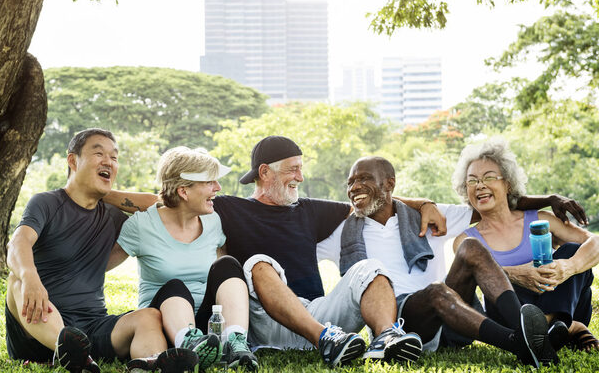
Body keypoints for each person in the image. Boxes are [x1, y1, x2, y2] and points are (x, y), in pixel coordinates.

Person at [104, 136, 450, 367]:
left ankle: (386, 337)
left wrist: (423, 203)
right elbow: (163, 199)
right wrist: (93, 190)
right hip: (267, 321)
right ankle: (324, 341)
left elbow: (365, 199)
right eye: (293, 168)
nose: (300, 176)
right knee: (255, 262)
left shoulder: (311, 209)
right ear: (265, 173)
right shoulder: (226, 207)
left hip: (317, 313)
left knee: (370, 267)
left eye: (301, 167)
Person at [318, 156, 574, 368]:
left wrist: (549, 199)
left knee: (471, 247)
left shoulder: (425, 216)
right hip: (403, 326)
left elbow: (495, 205)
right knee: (436, 291)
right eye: (350, 182)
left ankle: (523, 328)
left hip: (453, 318)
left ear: (389, 184)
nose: (354, 187)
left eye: (364, 178)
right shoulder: (342, 232)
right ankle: (521, 344)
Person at [5, 128, 198, 373]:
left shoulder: (112, 216)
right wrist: (31, 277)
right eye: (98, 153)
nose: (108, 161)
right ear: (73, 161)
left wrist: (104, 193)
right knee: (17, 281)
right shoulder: (47, 203)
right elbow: (18, 243)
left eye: (114, 158)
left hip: (92, 327)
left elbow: (159, 205)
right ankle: (66, 348)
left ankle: (151, 362)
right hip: (38, 324)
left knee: (149, 316)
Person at [108, 146, 258, 371]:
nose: (217, 188)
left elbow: (224, 282)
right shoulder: (142, 226)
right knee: (175, 285)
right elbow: (97, 267)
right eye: (209, 182)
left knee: (228, 265)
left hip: (208, 331)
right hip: (164, 324)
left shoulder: (212, 221)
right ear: (183, 191)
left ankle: (235, 343)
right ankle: (188, 343)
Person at [452, 139, 599, 353]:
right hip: (514, 316)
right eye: (472, 181)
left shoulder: (540, 219)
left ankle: (551, 327)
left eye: (489, 177)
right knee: (498, 286)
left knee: (572, 250)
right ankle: (570, 329)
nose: (480, 185)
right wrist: (516, 274)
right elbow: (471, 277)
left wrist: (568, 267)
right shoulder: (466, 241)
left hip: (565, 303)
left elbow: (595, 242)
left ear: (508, 183)